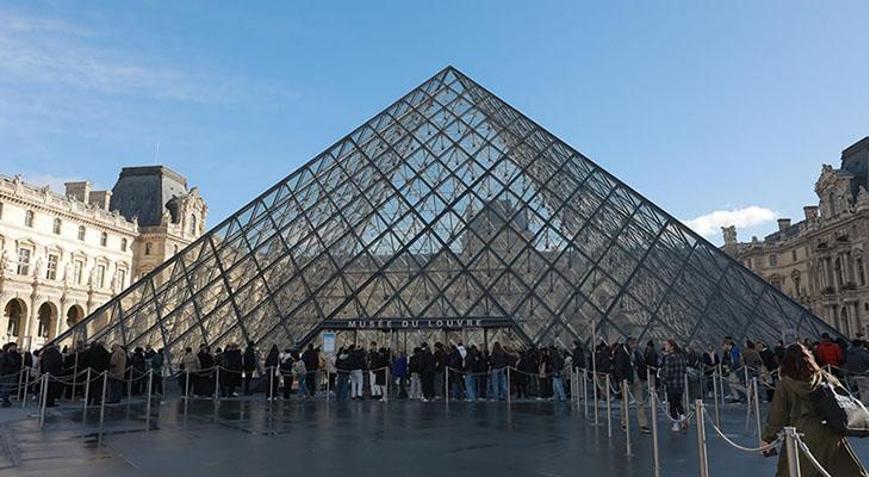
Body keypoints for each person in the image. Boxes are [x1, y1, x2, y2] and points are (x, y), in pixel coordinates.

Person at [762, 343, 868, 476]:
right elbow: (845, 398)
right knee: (841, 470)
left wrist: (768, 438)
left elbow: (777, 416)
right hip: (830, 429)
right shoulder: (824, 377)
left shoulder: (785, 384)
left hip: (801, 433)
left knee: (796, 470)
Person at [660, 339, 688, 432]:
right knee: (677, 401)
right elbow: (684, 370)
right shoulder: (681, 356)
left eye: (667, 345)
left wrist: (662, 379)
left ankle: (676, 424)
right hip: (680, 384)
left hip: (671, 384)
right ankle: (683, 416)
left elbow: (667, 373)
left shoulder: (668, 358)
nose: (665, 347)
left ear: (672, 346)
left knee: (672, 404)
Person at [845, 339, 869, 404]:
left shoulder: (848, 353)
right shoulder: (863, 353)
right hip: (864, 375)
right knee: (865, 390)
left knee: (859, 390)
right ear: (861, 345)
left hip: (852, 375)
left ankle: (860, 402)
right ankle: (865, 403)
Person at [0, 343, 21, 407]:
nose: (15, 348)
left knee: (6, 387)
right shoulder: (7, 355)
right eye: (14, 347)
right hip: (9, 373)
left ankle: (5, 400)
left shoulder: (6, 355)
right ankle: (5, 400)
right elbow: (12, 363)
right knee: (6, 387)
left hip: (9, 373)